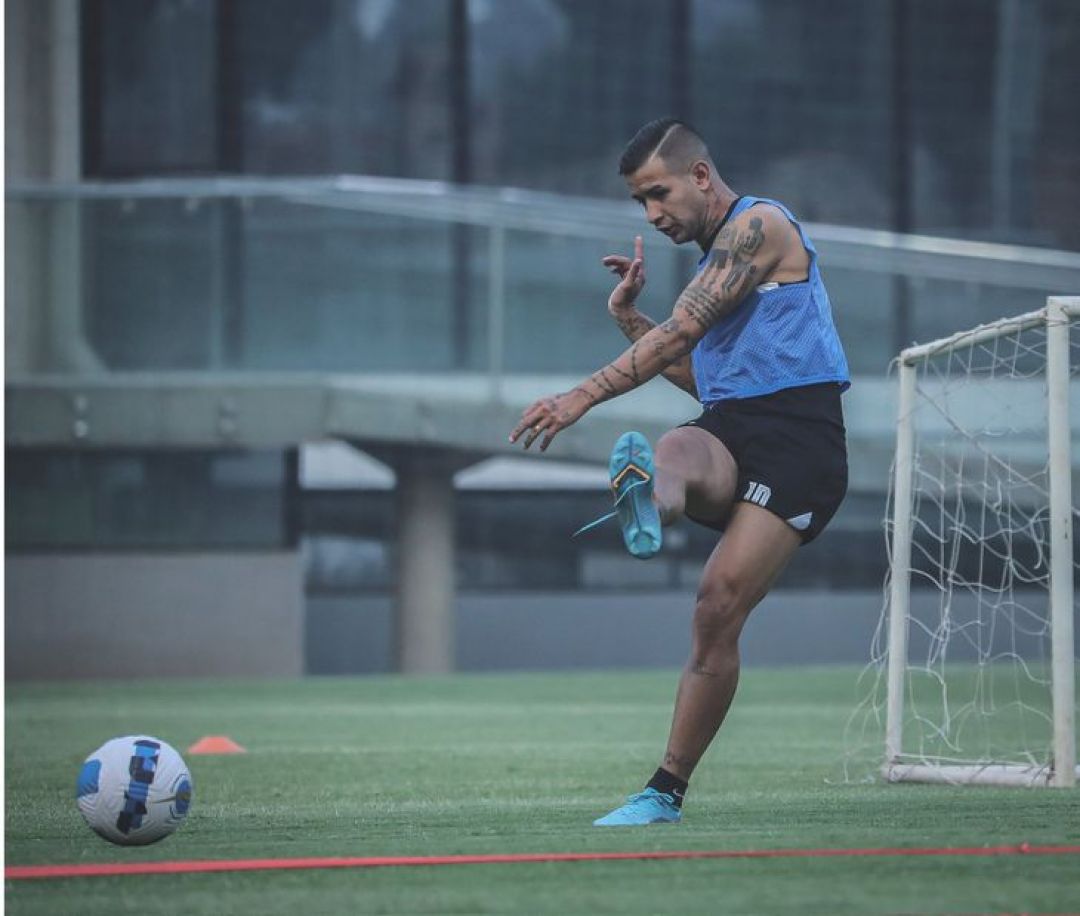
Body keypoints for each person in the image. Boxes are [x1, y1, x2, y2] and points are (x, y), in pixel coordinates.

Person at [509, 117, 850, 826]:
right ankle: (650, 503)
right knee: (674, 449)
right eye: (640, 202)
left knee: (716, 605)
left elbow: (685, 330)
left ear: (699, 175)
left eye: (657, 194)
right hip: (733, 423)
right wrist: (628, 317)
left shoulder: (758, 226)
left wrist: (579, 397)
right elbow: (704, 377)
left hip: (800, 444)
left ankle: (664, 790)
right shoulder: (711, 267)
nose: (651, 214)